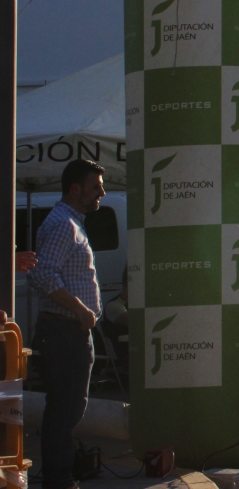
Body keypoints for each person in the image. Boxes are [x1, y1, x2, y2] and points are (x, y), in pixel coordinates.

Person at [27, 159, 106, 489]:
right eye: (96, 186)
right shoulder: (64, 224)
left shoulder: (70, 222)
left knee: (66, 409)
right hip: (64, 329)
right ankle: (59, 481)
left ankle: (60, 476)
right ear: (76, 189)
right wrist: (80, 311)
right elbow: (43, 274)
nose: (102, 191)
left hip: (65, 329)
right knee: (65, 410)